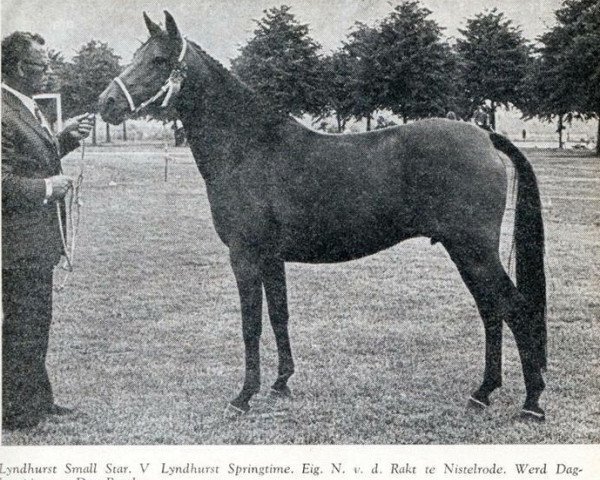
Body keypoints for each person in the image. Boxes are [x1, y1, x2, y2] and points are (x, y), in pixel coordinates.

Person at [2, 31, 94, 430]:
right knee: (25, 324)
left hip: (35, 241)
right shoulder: (3, 112)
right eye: (42, 66)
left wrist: (63, 140)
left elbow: (33, 158)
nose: (48, 72)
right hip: (17, 242)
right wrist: (46, 188)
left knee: (35, 322)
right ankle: (19, 413)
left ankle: (37, 399)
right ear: (20, 68)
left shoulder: (23, 107)